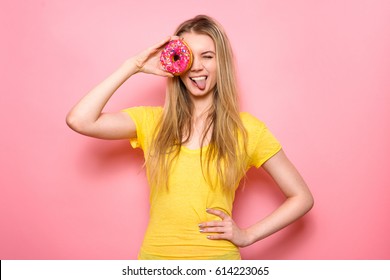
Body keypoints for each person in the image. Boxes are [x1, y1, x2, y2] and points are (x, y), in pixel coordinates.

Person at [66, 15, 314, 260]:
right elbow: (80, 120)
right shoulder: (153, 122)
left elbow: (302, 197)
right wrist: (134, 66)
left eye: (207, 56)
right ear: (176, 64)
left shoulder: (248, 130)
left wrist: (248, 235)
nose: (197, 66)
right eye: (189, 57)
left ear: (222, 63)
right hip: (156, 261)